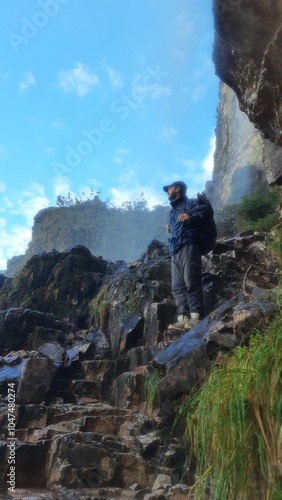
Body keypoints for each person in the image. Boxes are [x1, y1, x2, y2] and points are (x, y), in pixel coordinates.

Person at [163, 180, 208, 331]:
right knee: (177, 286)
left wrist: (191, 218)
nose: (167, 191)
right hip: (174, 249)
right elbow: (178, 224)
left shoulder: (190, 203)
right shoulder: (172, 212)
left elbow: (205, 213)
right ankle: (183, 318)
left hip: (188, 245)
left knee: (191, 280)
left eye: (169, 189)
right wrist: (171, 227)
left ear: (177, 188)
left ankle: (196, 317)